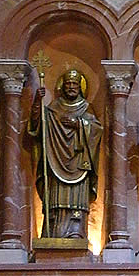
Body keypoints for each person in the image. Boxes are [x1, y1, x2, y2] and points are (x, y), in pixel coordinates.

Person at [28, 69, 102, 239]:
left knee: (77, 202)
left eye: (74, 84)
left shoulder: (86, 108)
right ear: (62, 86)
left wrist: (79, 124)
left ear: (80, 87)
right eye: (68, 83)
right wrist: (37, 102)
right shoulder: (53, 108)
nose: (71, 87)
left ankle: (77, 232)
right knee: (55, 200)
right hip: (56, 160)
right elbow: (37, 125)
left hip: (79, 162)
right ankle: (52, 233)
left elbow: (97, 130)